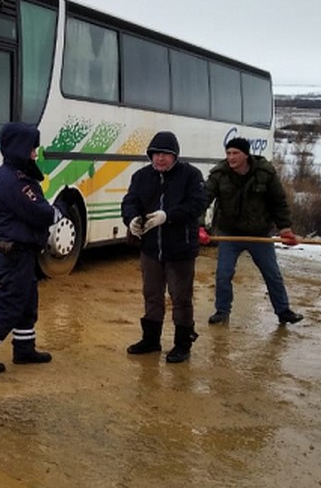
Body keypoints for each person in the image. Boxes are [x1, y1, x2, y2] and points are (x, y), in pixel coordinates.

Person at [0, 122, 57, 374]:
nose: (35, 154)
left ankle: (24, 349)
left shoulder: (4, 173)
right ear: (19, 148)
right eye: (31, 149)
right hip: (15, 252)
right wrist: (55, 213)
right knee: (11, 305)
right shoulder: (14, 181)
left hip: (18, 251)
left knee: (27, 302)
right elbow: (40, 212)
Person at [121, 131, 207, 363]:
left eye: (166, 154)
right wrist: (131, 220)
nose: (160, 159)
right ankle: (150, 340)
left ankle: (182, 344)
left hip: (180, 249)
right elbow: (130, 201)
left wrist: (167, 216)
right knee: (152, 294)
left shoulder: (191, 175)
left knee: (180, 297)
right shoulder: (141, 176)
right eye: (156, 154)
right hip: (150, 248)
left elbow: (197, 204)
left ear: (175, 156)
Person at [204, 136, 303, 325]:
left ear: (246, 155)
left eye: (235, 153)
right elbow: (202, 199)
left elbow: (278, 202)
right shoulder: (219, 174)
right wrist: (199, 226)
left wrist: (285, 228)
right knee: (223, 274)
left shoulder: (265, 173)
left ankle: (283, 311)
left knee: (272, 273)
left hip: (259, 234)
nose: (231, 157)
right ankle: (222, 311)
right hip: (229, 234)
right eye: (228, 153)